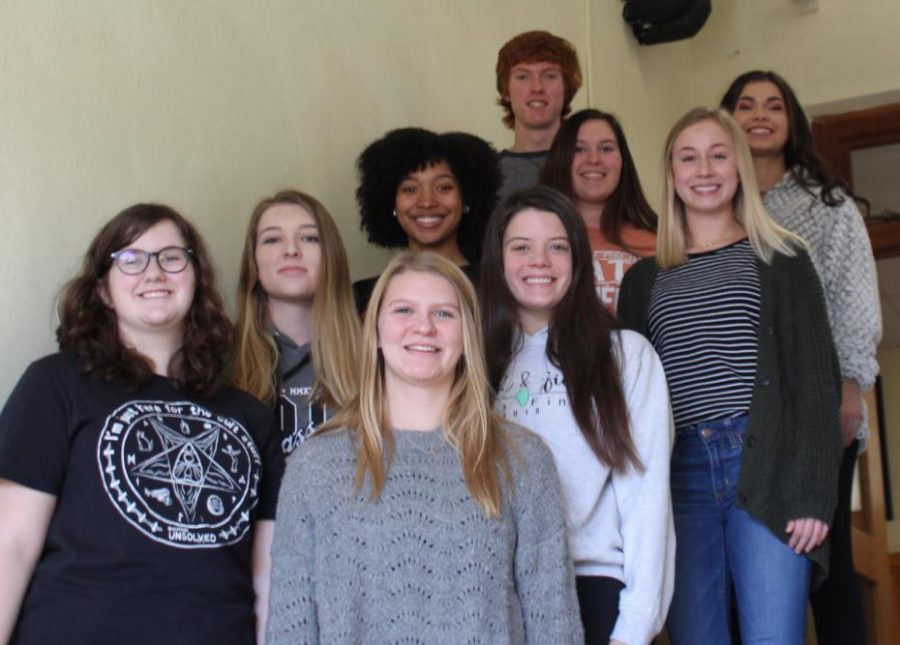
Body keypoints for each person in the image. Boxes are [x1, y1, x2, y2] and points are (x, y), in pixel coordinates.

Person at [266, 251, 583, 644]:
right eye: (403, 311)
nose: (424, 328)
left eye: (444, 314)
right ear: (376, 331)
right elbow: (290, 624)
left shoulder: (522, 459)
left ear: (468, 335)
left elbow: (554, 621)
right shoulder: (315, 464)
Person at [0, 204, 283, 645]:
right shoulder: (56, 384)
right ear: (104, 291)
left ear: (197, 278)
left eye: (172, 257)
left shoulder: (251, 416)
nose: (153, 273)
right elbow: (11, 545)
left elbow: (266, 580)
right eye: (130, 260)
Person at [617, 108, 843, 645]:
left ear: (739, 166)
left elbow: (816, 382)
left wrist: (814, 493)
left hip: (764, 464)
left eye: (719, 155)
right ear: (670, 174)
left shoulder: (783, 259)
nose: (705, 169)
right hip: (680, 476)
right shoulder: (642, 281)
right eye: (688, 158)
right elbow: (629, 400)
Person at [721, 71, 881, 645]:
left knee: (826, 571)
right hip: (742, 419)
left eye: (774, 106)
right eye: (746, 105)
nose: (760, 115)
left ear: (792, 123)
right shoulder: (714, 203)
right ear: (727, 119)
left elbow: (854, 300)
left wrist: (850, 390)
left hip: (816, 410)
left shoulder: (828, 205)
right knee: (745, 568)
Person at [480, 186, 675, 645]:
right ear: (497, 259)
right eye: (521, 247)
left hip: (595, 585)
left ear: (579, 259)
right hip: (496, 592)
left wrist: (635, 628)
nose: (539, 261)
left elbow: (646, 500)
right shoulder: (471, 362)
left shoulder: (625, 356)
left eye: (557, 247)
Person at [233, 189, 360, 456]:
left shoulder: (375, 355)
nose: (291, 250)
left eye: (309, 238)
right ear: (253, 261)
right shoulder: (219, 361)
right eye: (273, 239)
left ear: (331, 256)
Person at [353, 128, 500, 311]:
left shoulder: (499, 288)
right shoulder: (364, 298)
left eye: (443, 188)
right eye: (410, 189)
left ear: (467, 199)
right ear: (391, 203)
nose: (427, 202)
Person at [540, 109, 658, 311]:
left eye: (606, 149)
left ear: (623, 161)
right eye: (578, 149)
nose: (593, 159)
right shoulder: (537, 240)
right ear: (561, 159)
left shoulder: (660, 242)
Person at [495, 30, 583, 204]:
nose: (537, 88)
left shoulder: (592, 165)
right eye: (523, 77)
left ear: (566, 88)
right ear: (506, 91)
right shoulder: (488, 175)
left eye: (549, 76)